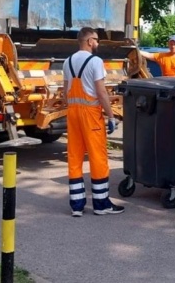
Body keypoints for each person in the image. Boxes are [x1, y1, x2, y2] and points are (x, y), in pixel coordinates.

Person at [63, 27, 125, 217]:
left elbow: (65, 94)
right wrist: (111, 116)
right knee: (98, 157)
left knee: (75, 157)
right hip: (90, 115)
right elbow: (101, 92)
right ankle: (101, 204)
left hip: (72, 114)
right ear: (89, 41)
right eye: (97, 39)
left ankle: (77, 206)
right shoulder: (95, 61)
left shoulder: (67, 61)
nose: (98, 43)